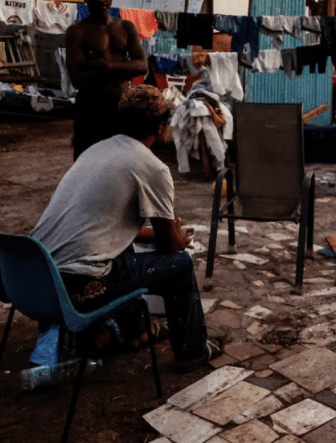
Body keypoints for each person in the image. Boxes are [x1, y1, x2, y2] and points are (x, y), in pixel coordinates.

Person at [29, 85, 219, 371]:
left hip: (36, 277)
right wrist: (176, 235)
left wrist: (160, 232)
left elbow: (106, 228)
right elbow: (170, 246)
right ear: (161, 126)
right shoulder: (152, 167)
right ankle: (192, 350)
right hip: (78, 284)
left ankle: (137, 333)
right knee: (179, 265)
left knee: (125, 251)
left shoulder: (97, 150)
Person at [65, 0, 148, 160]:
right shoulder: (77, 32)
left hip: (122, 108)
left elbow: (142, 65)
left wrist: (108, 67)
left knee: (122, 163)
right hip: (90, 110)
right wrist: (124, 69)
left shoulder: (126, 27)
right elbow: (77, 79)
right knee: (88, 164)